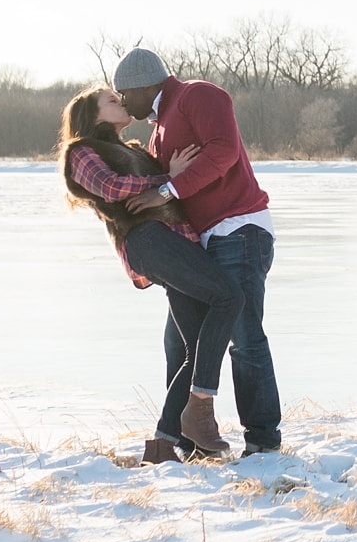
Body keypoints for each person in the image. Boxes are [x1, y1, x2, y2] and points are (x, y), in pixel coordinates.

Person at [111, 47, 283, 456]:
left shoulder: (198, 96)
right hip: (203, 243)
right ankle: (184, 439)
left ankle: (262, 442)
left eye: (123, 94)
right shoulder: (158, 128)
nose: (122, 102)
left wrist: (166, 190)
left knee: (243, 337)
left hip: (238, 228)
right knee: (180, 343)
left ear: (141, 84)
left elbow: (222, 151)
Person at [58, 85, 240, 461]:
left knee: (195, 348)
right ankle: (201, 411)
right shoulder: (81, 152)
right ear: (92, 116)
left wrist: (173, 179)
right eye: (111, 100)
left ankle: (163, 444)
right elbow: (111, 188)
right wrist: (166, 180)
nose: (120, 101)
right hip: (148, 241)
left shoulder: (135, 150)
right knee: (230, 296)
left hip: (175, 242)